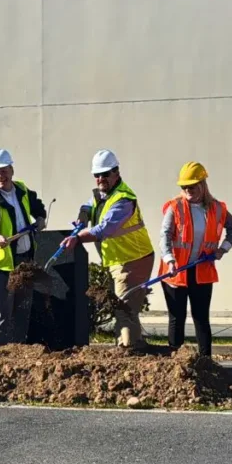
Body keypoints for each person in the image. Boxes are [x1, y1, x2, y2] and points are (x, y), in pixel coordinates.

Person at [63, 149, 155, 349]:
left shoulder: (123, 199)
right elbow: (88, 205)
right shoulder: (103, 194)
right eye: (97, 175)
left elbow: (104, 229)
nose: (100, 179)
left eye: (105, 174)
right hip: (119, 260)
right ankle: (136, 346)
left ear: (116, 172)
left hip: (133, 260)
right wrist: (83, 215)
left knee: (123, 309)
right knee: (126, 308)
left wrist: (77, 238)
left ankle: (126, 350)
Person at [157, 161, 232, 357]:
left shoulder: (217, 208)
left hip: (202, 270)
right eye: (184, 187)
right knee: (177, 318)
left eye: (192, 186)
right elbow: (165, 235)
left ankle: (206, 362)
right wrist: (170, 260)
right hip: (175, 272)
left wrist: (223, 249)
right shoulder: (175, 207)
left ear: (202, 184)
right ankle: (175, 362)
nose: (188, 190)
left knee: (201, 318)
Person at [0, 149, 47, 347]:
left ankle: (18, 350)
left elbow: (37, 205)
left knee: (23, 307)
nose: (0, 176)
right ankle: (0, 353)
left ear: (11, 170)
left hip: (24, 260)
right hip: (2, 266)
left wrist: (40, 217)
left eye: (4, 171)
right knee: (3, 310)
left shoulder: (22, 190)